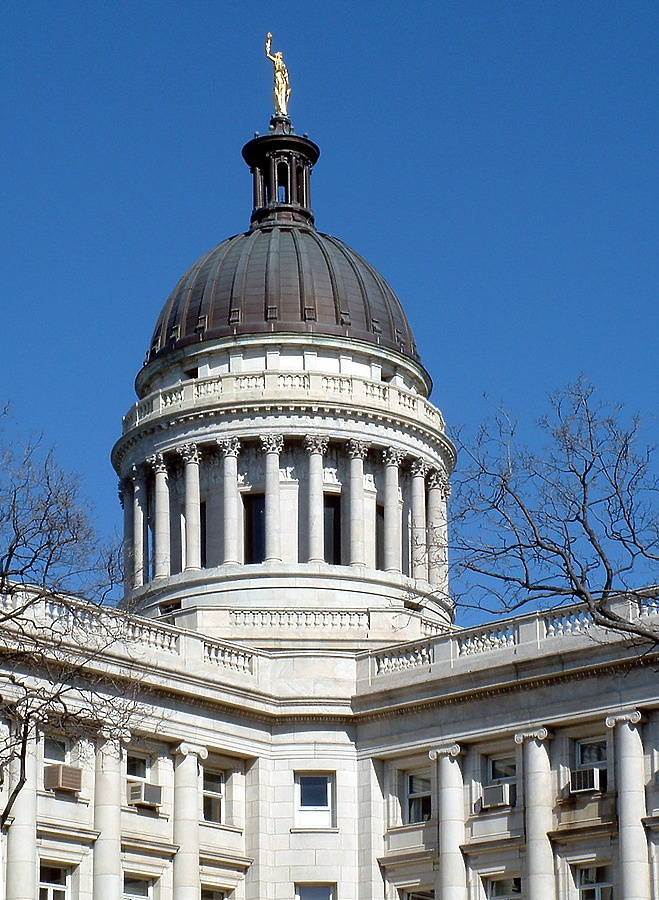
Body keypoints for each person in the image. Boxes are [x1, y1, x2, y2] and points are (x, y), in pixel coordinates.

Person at [265, 33, 291, 117]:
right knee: (277, 92)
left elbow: (286, 76)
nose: (279, 55)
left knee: (282, 93)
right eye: (279, 54)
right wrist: (269, 41)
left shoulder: (283, 65)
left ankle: (283, 109)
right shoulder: (276, 61)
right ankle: (279, 108)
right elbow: (268, 54)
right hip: (278, 77)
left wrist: (288, 87)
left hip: (282, 80)